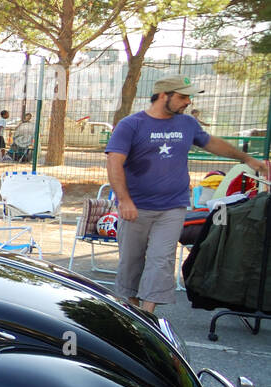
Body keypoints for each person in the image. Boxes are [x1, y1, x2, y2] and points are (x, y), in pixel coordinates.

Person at [106, 75, 269, 313]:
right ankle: (130, 309)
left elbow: (212, 143)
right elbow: (114, 162)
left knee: (161, 260)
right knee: (131, 262)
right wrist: (124, 200)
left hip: (173, 206)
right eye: (183, 96)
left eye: (188, 97)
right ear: (164, 96)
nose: (187, 102)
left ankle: (148, 314)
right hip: (136, 207)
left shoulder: (187, 124)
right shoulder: (131, 125)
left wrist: (245, 158)